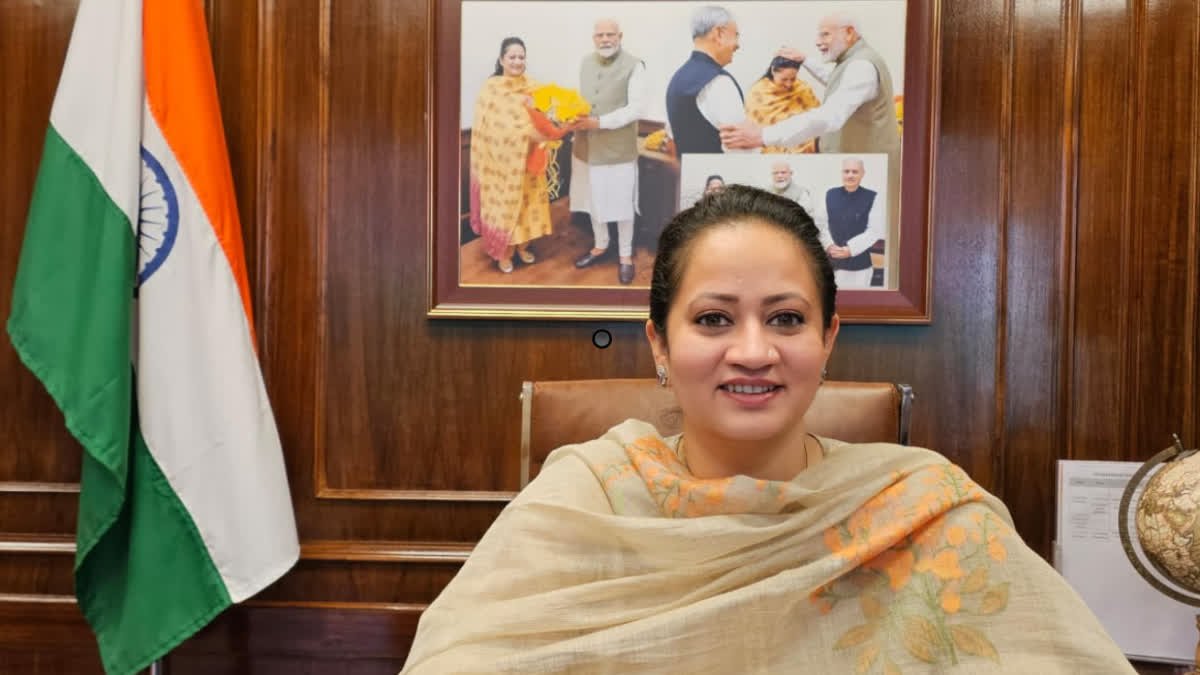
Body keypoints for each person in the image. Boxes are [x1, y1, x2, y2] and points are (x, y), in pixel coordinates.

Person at [400, 186, 1135, 674]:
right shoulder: (584, 499)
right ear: (659, 344)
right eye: (713, 318)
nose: (753, 351)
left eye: (786, 318)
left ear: (828, 338)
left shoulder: (922, 509)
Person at [719, 12, 902, 225]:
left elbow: (829, 116)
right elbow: (835, 80)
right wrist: (805, 60)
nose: (818, 41)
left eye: (825, 34)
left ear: (849, 32)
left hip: (868, 163)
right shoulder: (852, 62)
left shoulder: (862, 67)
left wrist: (763, 135)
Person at [468, 37, 568, 274]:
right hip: (501, 164)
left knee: (528, 206)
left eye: (521, 57)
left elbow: (548, 115)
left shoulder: (534, 87)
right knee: (504, 208)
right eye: (512, 57)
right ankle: (504, 252)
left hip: (530, 161)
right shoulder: (491, 90)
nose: (517, 61)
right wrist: (526, 133)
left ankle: (522, 247)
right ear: (502, 59)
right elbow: (491, 128)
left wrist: (552, 125)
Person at [569, 18, 648, 286]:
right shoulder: (585, 62)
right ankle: (600, 245)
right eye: (600, 35)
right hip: (586, 146)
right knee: (593, 200)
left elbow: (636, 109)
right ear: (594, 38)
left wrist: (599, 122)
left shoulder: (635, 65)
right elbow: (580, 100)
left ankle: (625, 255)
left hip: (617, 150)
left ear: (619, 36)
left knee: (622, 204)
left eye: (610, 34)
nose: (605, 39)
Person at [664, 5, 748, 154]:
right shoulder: (719, 82)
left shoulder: (676, 79)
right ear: (719, 33)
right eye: (736, 35)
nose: (738, 44)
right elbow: (741, 151)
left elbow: (672, 138)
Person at [822, 157, 884, 289]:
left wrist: (850, 249)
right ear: (842, 173)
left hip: (859, 267)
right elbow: (820, 224)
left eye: (855, 172)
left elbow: (874, 230)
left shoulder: (873, 197)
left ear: (862, 173)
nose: (850, 175)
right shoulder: (829, 194)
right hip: (831, 263)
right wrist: (829, 245)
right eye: (846, 171)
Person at [744, 56, 821, 153]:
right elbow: (757, 129)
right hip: (776, 147)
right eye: (784, 79)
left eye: (793, 79)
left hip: (808, 143)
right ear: (773, 71)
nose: (789, 84)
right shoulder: (757, 94)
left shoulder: (802, 87)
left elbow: (817, 116)